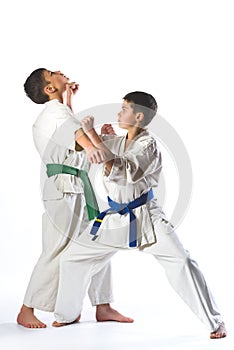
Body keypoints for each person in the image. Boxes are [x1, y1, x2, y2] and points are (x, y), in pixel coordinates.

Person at [52, 91, 227, 339]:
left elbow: (123, 171)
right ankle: (67, 314)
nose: (118, 113)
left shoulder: (149, 145)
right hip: (114, 218)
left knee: (182, 262)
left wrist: (92, 133)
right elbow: (86, 147)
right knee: (71, 258)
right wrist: (72, 112)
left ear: (139, 116)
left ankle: (215, 321)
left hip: (147, 218)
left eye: (124, 109)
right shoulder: (118, 141)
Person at [17, 68, 133, 328]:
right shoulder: (52, 113)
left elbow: (69, 125)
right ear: (49, 88)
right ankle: (27, 309)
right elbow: (73, 134)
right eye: (52, 73)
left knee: (96, 242)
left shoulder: (59, 111)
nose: (59, 71)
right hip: (62, 190)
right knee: (57, 248)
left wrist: (69, 101)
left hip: (75, 188)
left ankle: (102, 305)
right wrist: (92, 145)